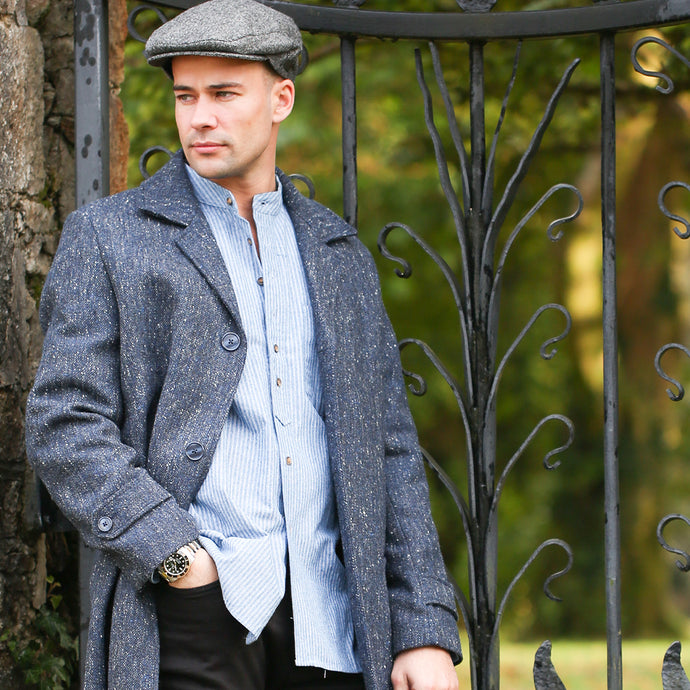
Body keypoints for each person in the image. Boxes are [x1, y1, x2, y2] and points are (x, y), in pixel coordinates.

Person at [25, 0, 462, 688]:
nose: (200, 117)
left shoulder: (337, 252)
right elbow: (64, 423)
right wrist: (177, 560)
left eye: (224, 94)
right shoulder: (110, 237)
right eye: (186, 96)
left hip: (334, 618)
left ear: (281, 99)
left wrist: (423, 628)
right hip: (191, 613)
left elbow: (389, 449)